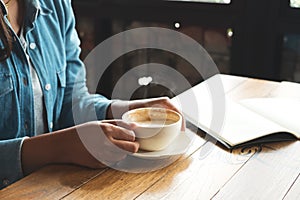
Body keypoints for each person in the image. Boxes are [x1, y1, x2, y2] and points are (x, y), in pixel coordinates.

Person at [0, 0, 183, 189]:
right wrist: (60, 148)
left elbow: (71, 102)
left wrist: (122, 111)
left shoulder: (55, 5)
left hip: (48, 188)